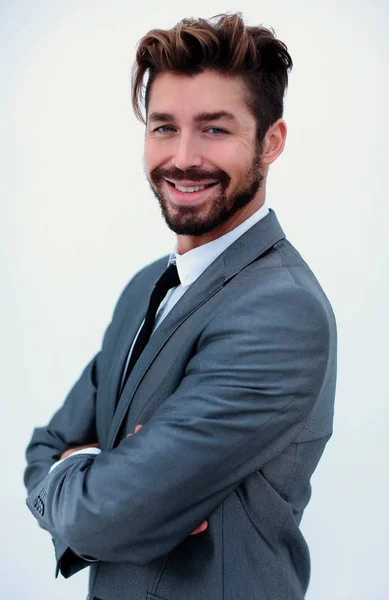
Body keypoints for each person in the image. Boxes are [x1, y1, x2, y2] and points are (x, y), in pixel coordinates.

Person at [24, 12, 337, 600]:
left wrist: (100, 481)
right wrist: (103, 481)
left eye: (214, 129)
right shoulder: (147, 286)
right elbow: (45, 446)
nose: (183, 157)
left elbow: (102, 513)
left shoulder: (282, 311)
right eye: (164, 127)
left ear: (272, 141)